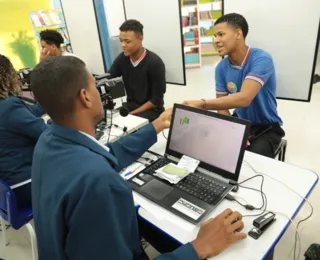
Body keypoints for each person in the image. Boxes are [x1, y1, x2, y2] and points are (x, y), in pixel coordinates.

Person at [31, 56, 246, 260]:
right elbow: (99, 169)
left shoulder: (48, 141)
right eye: (95, 86)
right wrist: (199, 248)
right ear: (85, 97)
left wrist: (156, 125)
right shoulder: (98, 181)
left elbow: (106, 155)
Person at [183, 13, 285, 158]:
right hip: (239, 122)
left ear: (238, 33)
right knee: (210, 150)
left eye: (221, 34)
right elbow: (222, 107)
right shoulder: (221, 67)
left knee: (251, 160)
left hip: (267, 127)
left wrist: (202, 104)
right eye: (214, 36)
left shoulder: (261, 59)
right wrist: (234, 131)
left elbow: (244, 99)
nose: (216, 40)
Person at [0, 54, 47, 207]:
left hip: (7, 188)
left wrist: (52, 100)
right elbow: (45, 133)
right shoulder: (9, 106)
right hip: (26, 184)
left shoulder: (6, 107)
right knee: (82, 175)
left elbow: (27, 114)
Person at [109, 19, 166, 122]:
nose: (123, 45)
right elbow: (109, 76)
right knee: (111, 122)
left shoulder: (155, 63)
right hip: (131, 106)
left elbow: (156, 100)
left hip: (152, 110)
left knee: (129, 128)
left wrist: (131, 114)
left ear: (140, 38)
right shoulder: (122, 58)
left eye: (127, 41)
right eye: (121, 41)